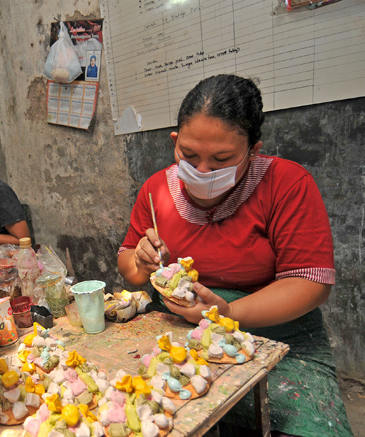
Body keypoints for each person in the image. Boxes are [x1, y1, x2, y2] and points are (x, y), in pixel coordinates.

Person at [117, 74, 353, 436]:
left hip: (276, 334)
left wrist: (227, 314)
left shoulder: (288, 185)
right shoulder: (155, 191)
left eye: (222, 159)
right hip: (178, 332)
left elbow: (311, 284)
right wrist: (139, 262)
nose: (202, 171)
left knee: (301, 423)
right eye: (189, 155)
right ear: (174, 141)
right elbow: (130, 269)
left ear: (254, 149)